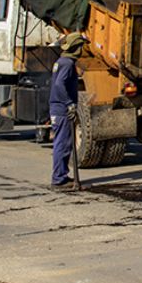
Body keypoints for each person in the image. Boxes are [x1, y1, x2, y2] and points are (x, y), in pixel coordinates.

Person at [49, 31, 87, 190]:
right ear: (77, 47)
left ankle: (61, 175)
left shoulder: (61, 61)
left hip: (58, 107)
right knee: (63, 144)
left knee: (62, 143)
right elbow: (59, 85)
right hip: (62, 108)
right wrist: (69, 103)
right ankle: (59, 180)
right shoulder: (67, 64)